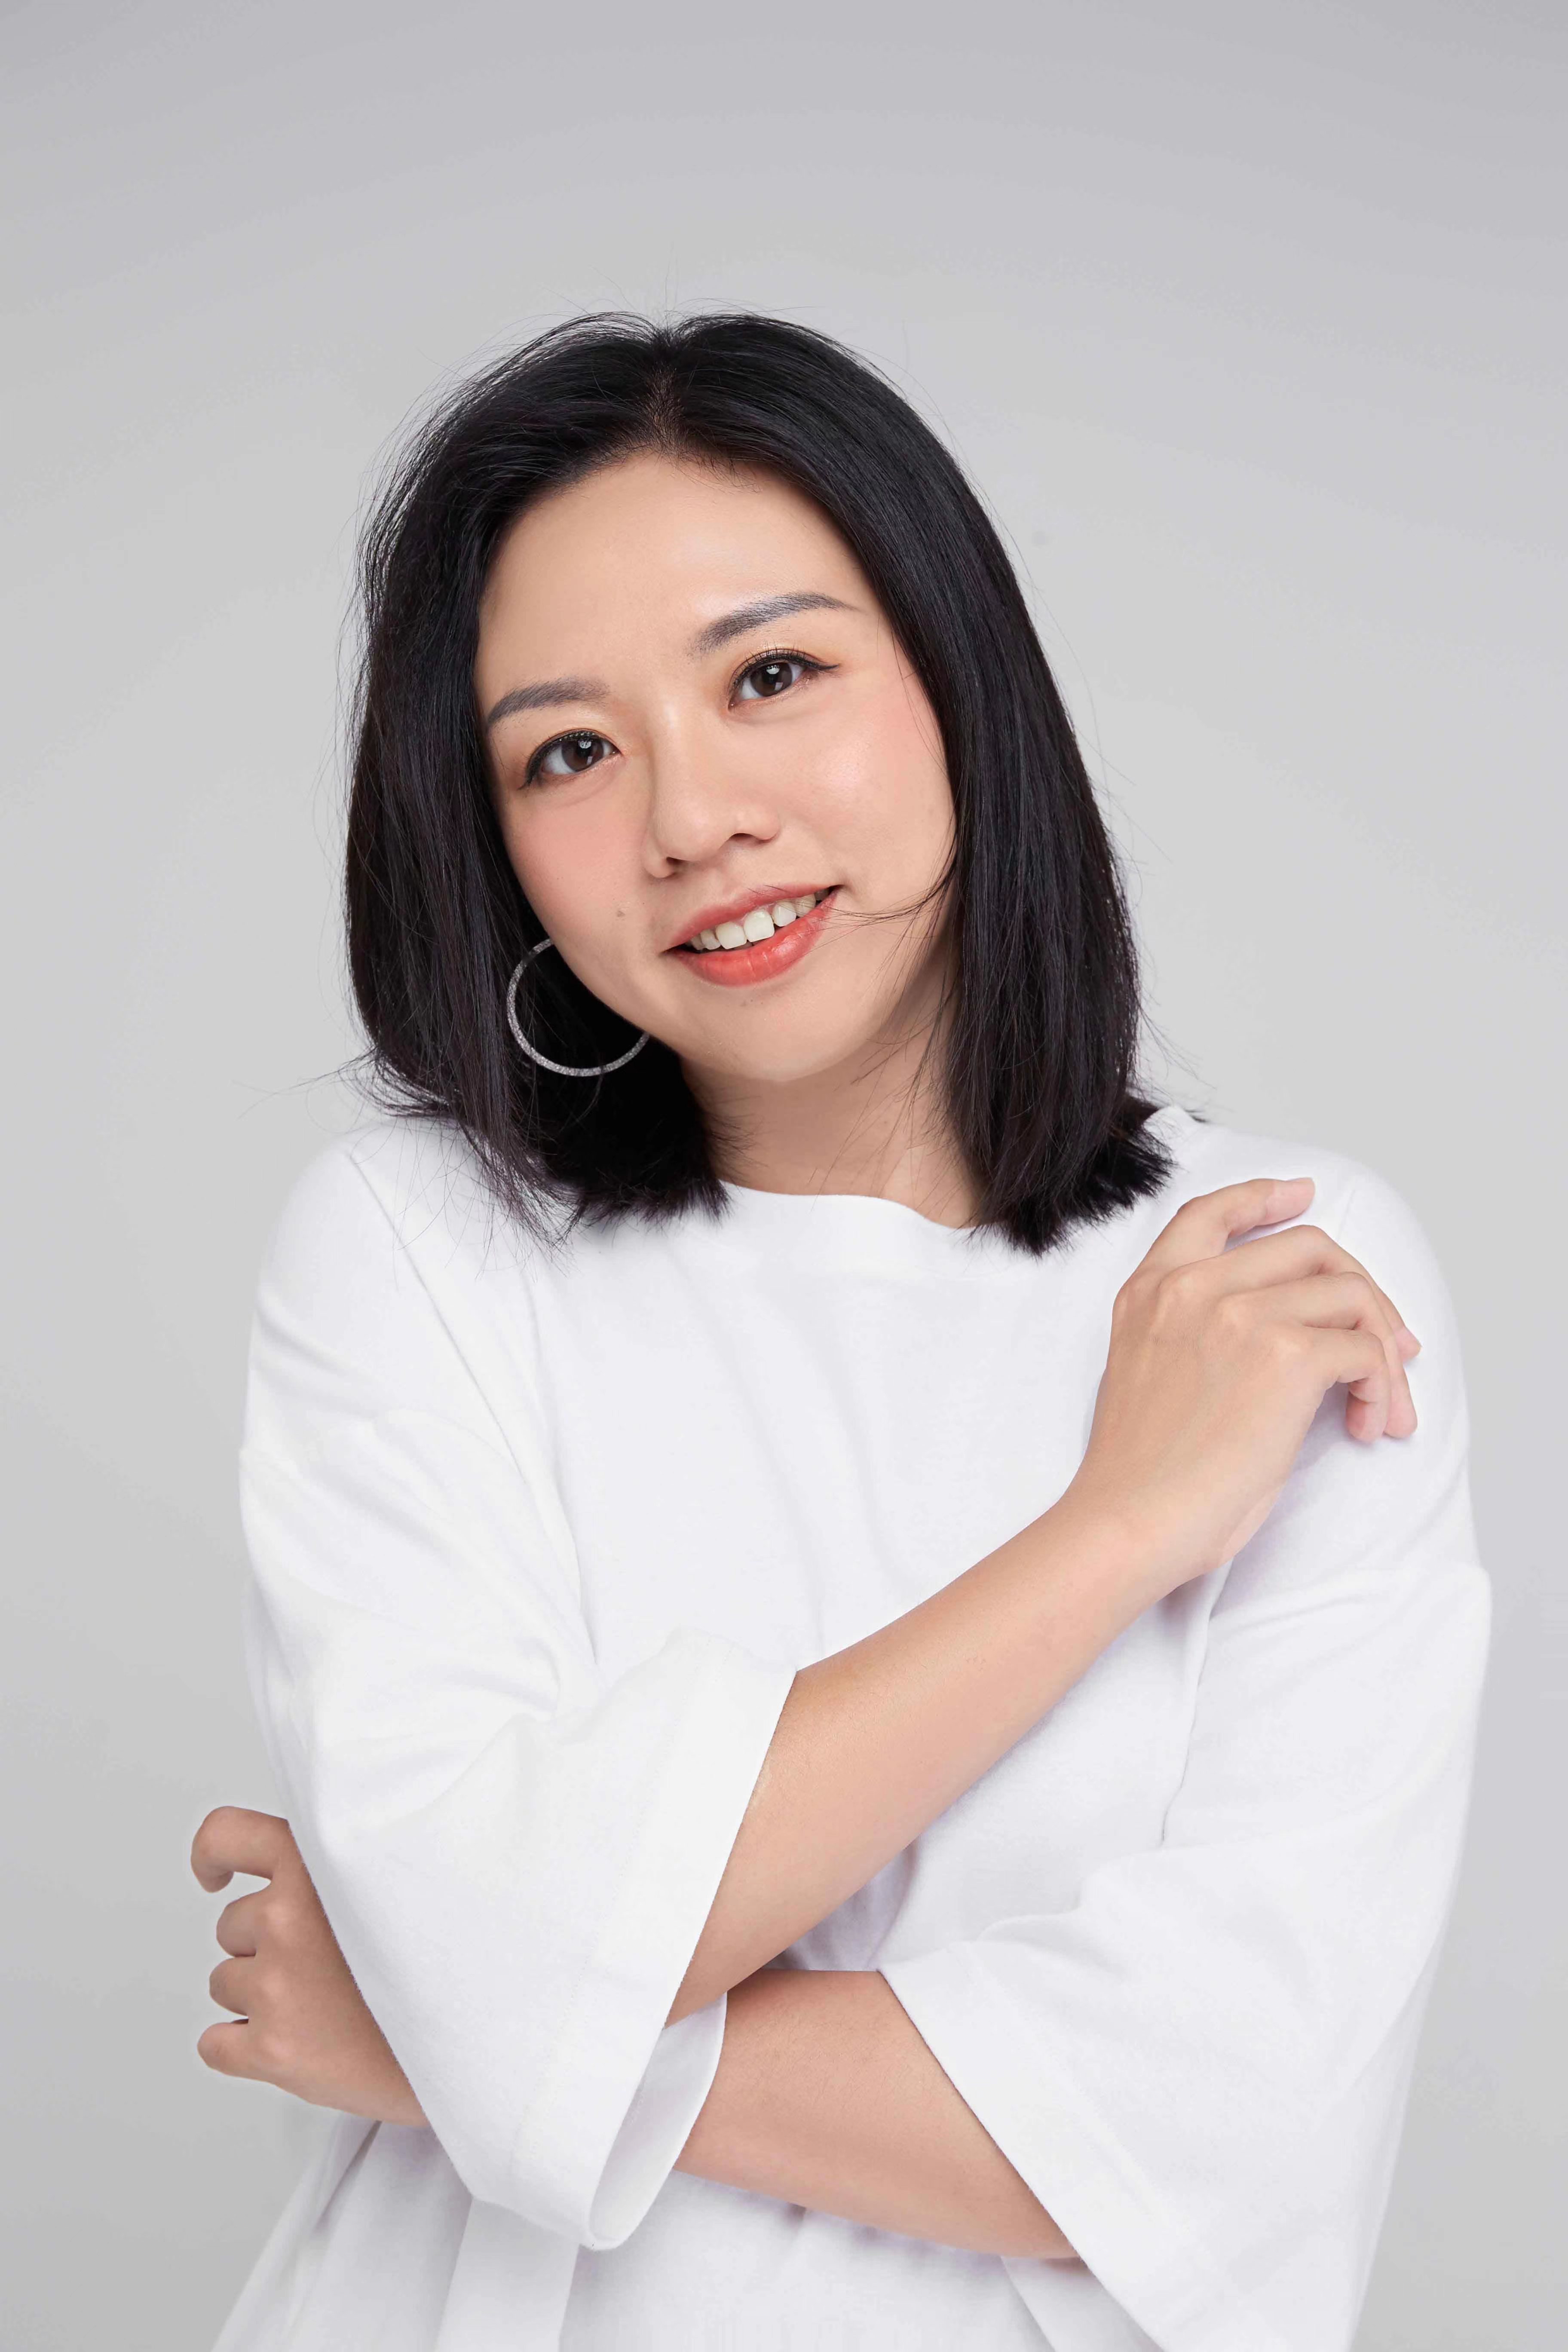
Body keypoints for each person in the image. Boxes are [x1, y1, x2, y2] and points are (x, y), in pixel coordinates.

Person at [192, 312, 1489, 2352]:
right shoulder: (418, 1249)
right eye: (570, 751)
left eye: (772, 676)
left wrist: (486, 2041)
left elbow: (1229, 2132)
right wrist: (1118, 1532)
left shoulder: (1272, 1277)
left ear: (960, 678)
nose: (693, 819)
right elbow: (498, 1965)